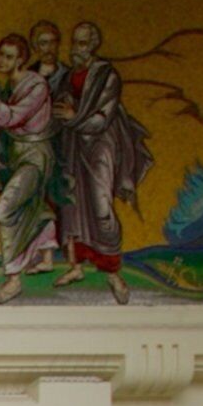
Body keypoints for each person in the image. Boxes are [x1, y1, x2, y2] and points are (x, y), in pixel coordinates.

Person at [51, 18, 149, 304]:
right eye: (74, 42)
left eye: (82, 43)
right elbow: (62, 108)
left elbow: (103, 116)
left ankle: (112, 271)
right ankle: (75, 266)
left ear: (93, 46)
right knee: (72, 205)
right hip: (73, 147)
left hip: (101, 145)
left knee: (101, 203)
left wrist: (74, 116)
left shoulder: (107, 75)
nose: (76, 48)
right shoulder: (69, 76)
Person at [0, 31, 66, 300]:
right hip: (16, 156)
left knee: (5, 210)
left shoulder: (36, 86)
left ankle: (13, 279)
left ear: (22, 59)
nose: (2, 60)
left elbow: (11, 115)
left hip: (36, 156)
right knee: (28, 204)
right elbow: (2, 103)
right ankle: (45, 244)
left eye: (9, 56)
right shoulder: (12, 84)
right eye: (1, 54)